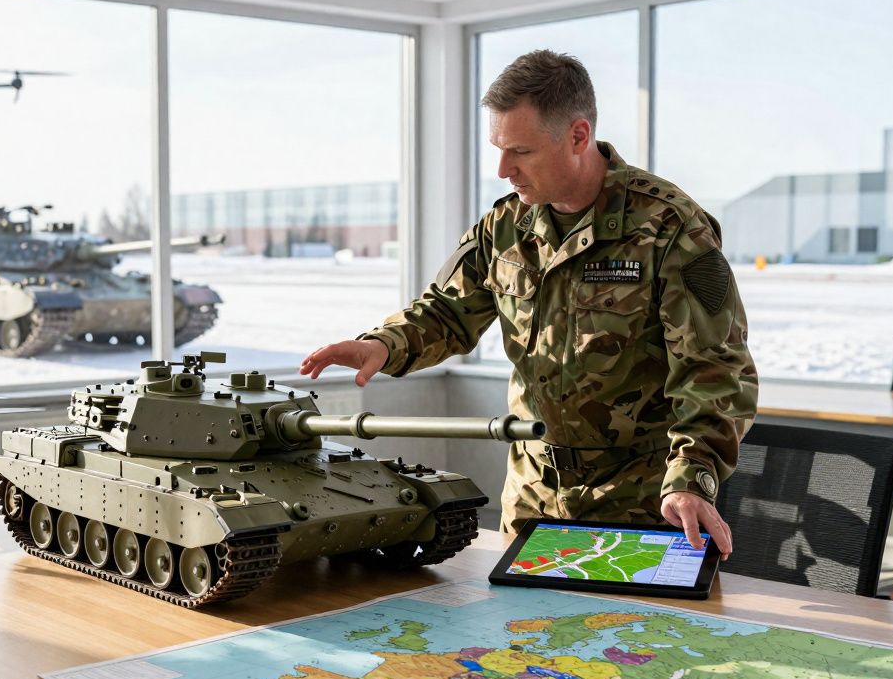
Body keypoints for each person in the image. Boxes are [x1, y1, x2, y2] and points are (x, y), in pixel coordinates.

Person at [300, 49, 757, 559]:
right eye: (498, 148)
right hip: (533, 497)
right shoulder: (505, 227)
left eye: (520, 151)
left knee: (633, 639)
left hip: (641, 500)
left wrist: (693, 478)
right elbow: (447, 312)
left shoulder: (668, 228)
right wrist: (383, 346)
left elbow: (714, 369)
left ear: (578, 136)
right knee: (521, 637)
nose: (502, 169)